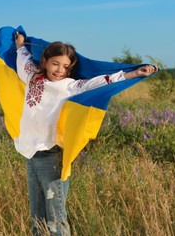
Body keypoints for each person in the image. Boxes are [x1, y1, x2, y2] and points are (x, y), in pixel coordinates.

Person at [14, 32, 156, 235]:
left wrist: (133, 74)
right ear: (45, 61)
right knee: (37, 219)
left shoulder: (69, 86)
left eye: (65, 66)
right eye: (55, 63)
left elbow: (100, 81)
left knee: (56, 218)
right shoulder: (32, 76)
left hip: (51, 155)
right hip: (29, 152)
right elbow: (23, 59)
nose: (60, 70)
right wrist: (20, 45)